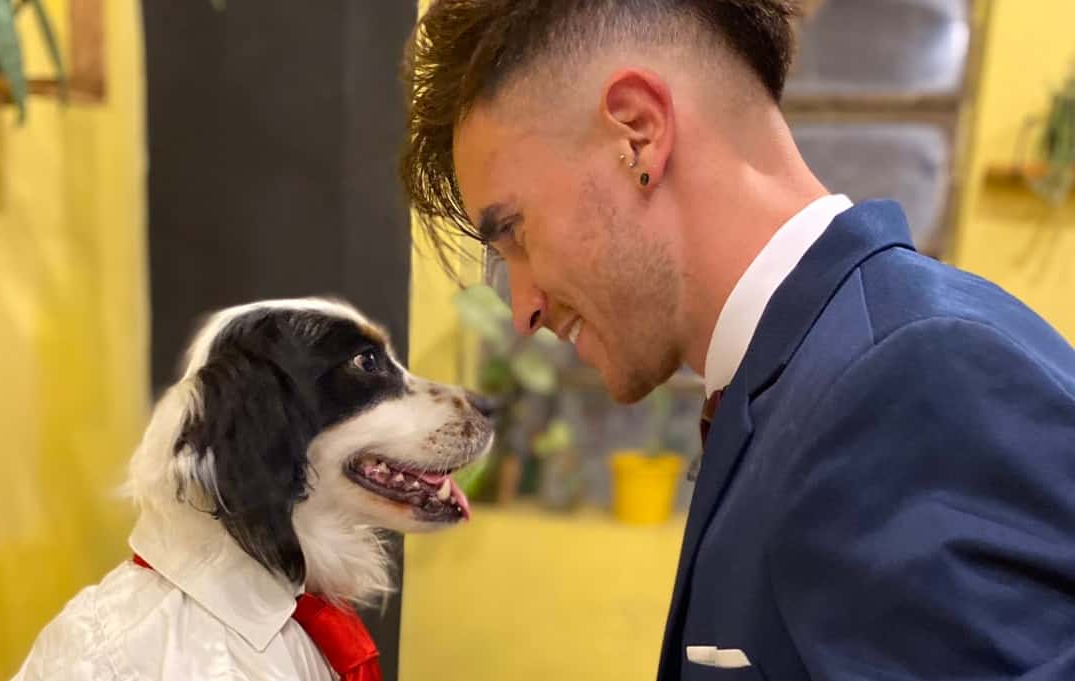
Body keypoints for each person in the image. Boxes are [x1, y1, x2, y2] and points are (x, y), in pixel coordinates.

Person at [398, 1, 1075, 680]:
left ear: (637, 132)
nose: (523, 312)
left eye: (514, 233)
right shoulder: (800, 378)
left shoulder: (908, 379)